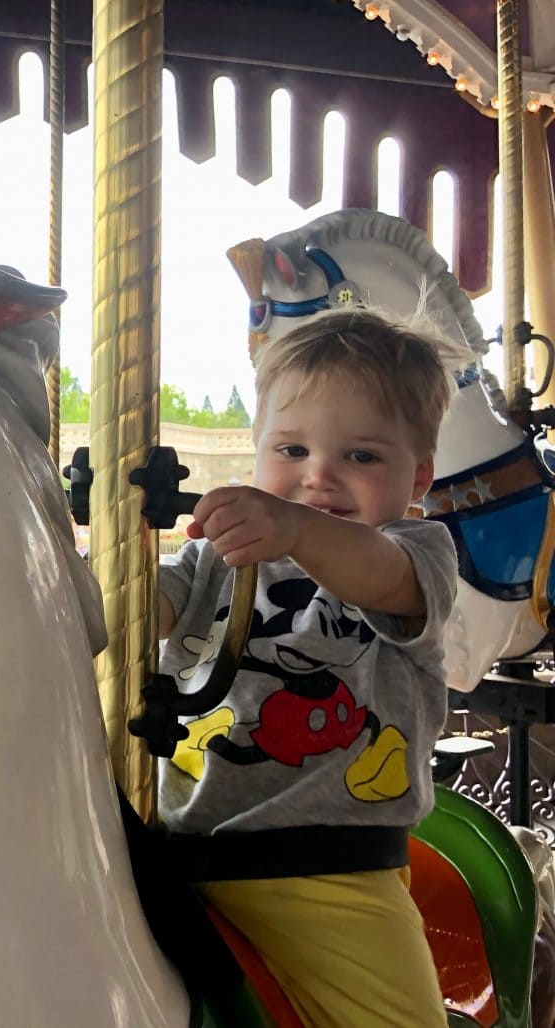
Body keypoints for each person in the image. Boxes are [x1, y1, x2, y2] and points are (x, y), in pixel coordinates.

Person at [156, 306, 460, 1027]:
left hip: (327, 874)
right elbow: (131, 614)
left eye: (360, 457)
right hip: (171, 852)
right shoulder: (208, 560)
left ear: (416, 476)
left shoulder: (416, 553)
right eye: (291, 451)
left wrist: (292, 527)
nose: (318, 477)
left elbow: (379, 576)